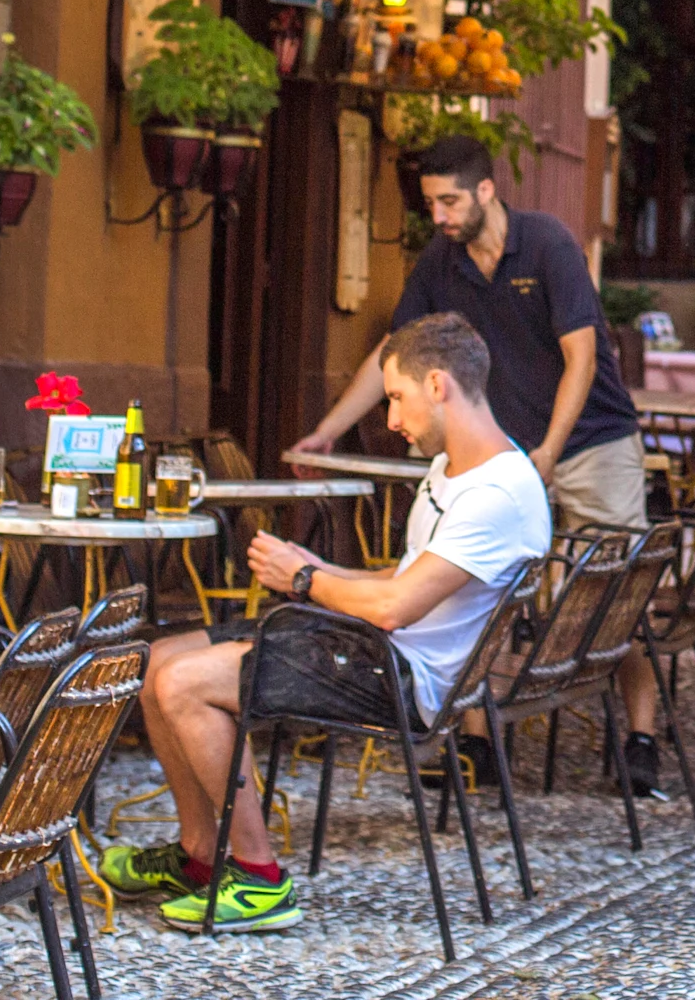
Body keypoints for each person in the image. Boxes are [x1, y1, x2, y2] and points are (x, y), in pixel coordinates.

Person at [114, 313, 552, 935]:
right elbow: (406, 583)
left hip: (401, 676)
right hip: (376, 647)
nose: (392, 420)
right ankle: (200, 858)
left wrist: (303, 579)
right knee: (159, 661)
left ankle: (261, 879)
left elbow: (397, 609)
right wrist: (324, 568)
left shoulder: (495, 495)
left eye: (396, 399)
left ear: (438, 385)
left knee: (183, 683)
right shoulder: (458, 471)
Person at [291, 129, 674, 795]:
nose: (437, 217)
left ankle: (642, 735)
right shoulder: (441, 264)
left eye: (447, 202)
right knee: (484, 590)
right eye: (431, 204)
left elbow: (582, 357)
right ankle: (481, 747)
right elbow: (393, 350)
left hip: (591, 443)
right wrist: (327, 431)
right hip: (510, 459)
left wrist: (549, 452)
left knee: (616, 589)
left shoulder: (548, 243)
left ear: (486, 191)